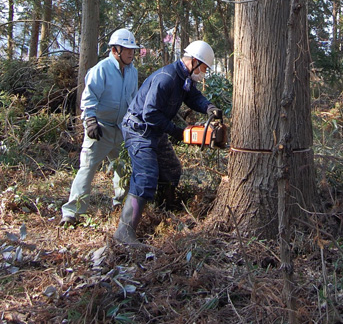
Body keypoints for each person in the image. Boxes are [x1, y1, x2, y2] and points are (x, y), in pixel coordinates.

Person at [113, 40, 222, 245]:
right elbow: (150, 114)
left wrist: (209, 107)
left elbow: (193, 97)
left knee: (171, 169)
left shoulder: (184, 78)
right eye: (204, 68)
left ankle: (161, 211)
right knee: (146, 176)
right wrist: (178, 133)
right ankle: (124, 232)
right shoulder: (167, 78)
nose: (204, 72)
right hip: (139, 130)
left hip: (154, 130)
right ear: (194, 62)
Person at [60, 28, 139, 226]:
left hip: (121, 130)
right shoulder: (101, 69)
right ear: (115, 50)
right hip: (100, 129)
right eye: (127, 49)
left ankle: (120, 207)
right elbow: (89, 97)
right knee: (87, 168)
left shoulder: (133, 72)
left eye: (133, 49)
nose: (131, 53)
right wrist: (91, 121)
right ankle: (72, 213)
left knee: (123, 170)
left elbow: (133, 99)